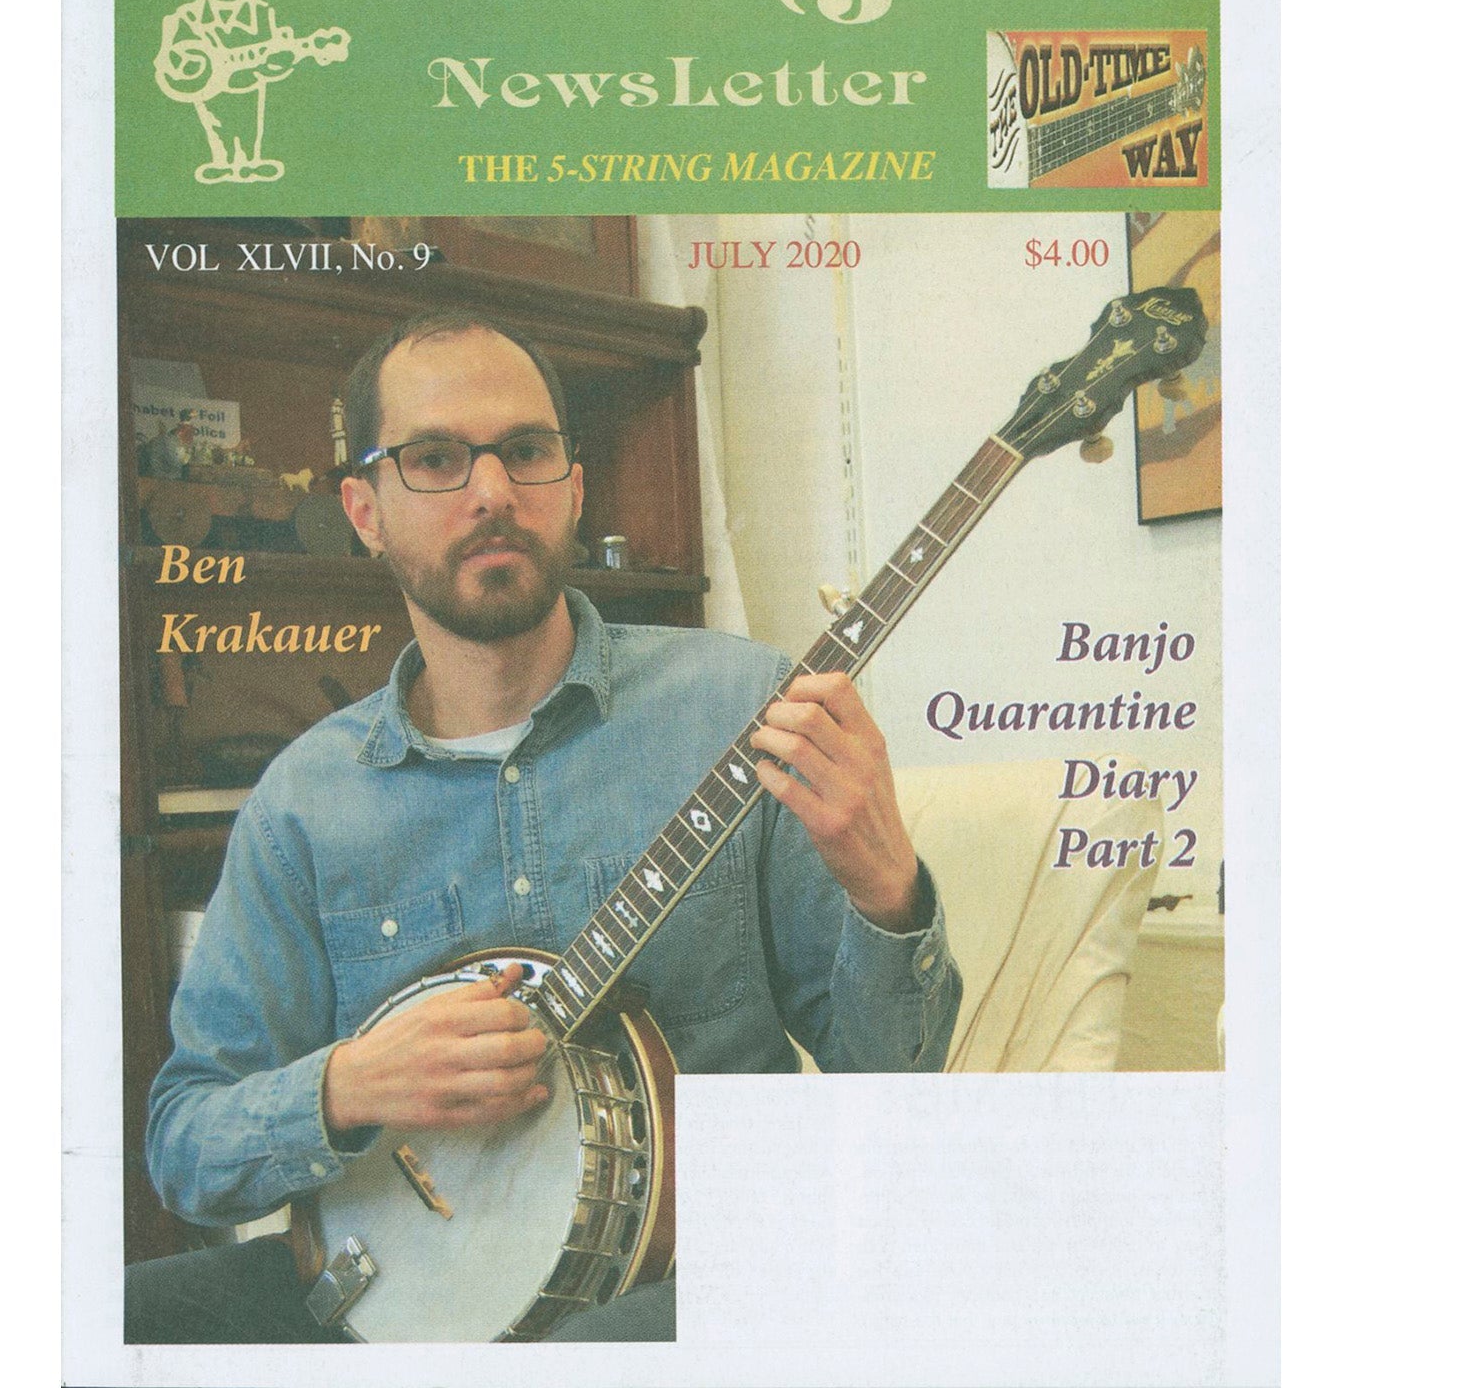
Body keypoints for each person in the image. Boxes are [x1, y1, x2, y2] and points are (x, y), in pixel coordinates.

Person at [127, 315, 963, 1344]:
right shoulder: (304, 802)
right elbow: (183, 1145)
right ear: (364, 511)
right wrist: (350, 1084)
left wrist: (885, 887)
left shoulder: (743, 708)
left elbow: (896, 1085)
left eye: (525, 450)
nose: (492, 491)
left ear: (573, 486)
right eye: (436, 459)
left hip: (700, 1272)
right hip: (390, 1285)